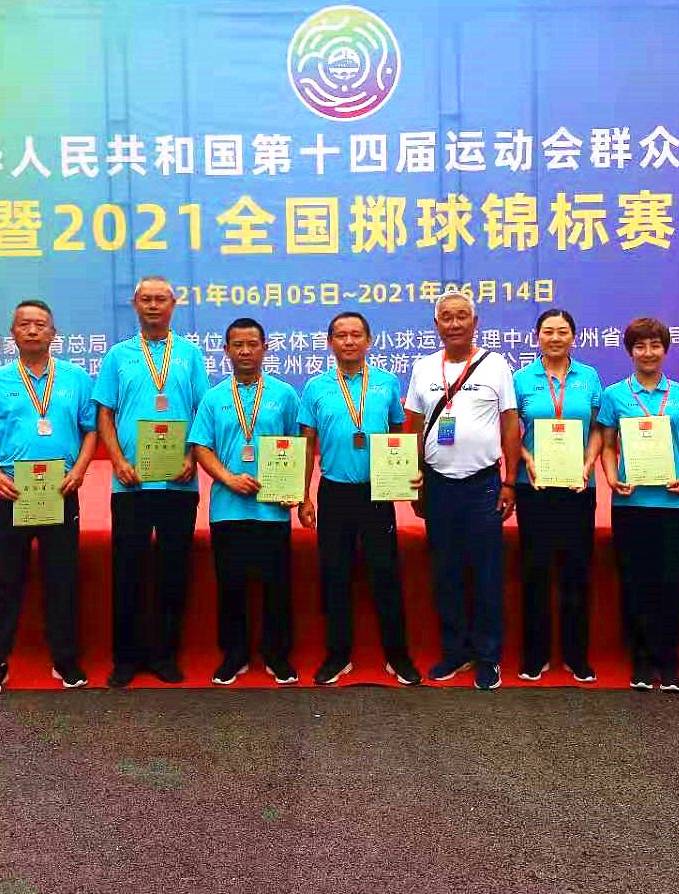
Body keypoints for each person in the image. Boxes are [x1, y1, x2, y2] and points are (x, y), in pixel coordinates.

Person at [0, 300, 97, 697]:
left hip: (61, 490)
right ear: (12, 333)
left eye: (40, 324)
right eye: (24, 324)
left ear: (53, 333)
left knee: (62, 578)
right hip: (12, 491)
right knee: (6, 581)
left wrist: (79, 471)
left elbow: (91, 430)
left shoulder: (76, 378)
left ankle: (65, 659)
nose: (32, 330)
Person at [93, 276, 210, 687]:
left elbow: (203, 412)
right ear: (135, 304)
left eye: (161, 299)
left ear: (173, 304)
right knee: (128, 570)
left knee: (173, 571)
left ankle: (165, 655)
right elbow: (104, 414)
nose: (154, 306)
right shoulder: (118, 356)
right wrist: (117, 461)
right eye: (147, 299)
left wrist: (192, 457)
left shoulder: (190, 355)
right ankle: (125, 659)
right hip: (131, 482)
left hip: (179, 483)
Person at [402, 290, 521, 691]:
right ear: (436, 325)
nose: (454, 324)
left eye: (462, 316)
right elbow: (412, 427)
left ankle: (488, 657)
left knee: (487, 573)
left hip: (483, 485)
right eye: (447, 317)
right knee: (446, 572)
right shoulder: (422, 368)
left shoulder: (496, 365)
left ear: (475, 322)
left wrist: (509, 481)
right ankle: (455, 651)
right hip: (438, 485)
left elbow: (509, 424)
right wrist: (413, 481)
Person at [298, 312, 423, 686]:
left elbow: (399, 433)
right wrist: (304, 496)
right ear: (329, 342)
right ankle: (338, 656)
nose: (349, 341)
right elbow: (306, 443)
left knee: (385, 574)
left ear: (369, 341)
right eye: (341, 335)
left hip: (377, 492)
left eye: (356, 335)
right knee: (334, 575)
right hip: (334, 492)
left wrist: (407, 475)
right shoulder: (315, 387)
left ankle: (398, 656)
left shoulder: (386, 383)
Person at [189, 318, 302, 686]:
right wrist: (228, 479)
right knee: (231, 585)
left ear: (265, 348)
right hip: (228, 508)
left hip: (273, 509)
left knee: (276, 586)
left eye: (252, 344)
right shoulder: (214, 397)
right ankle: (234, 655)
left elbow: (296, 445)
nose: (245, 351)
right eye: (237, 345)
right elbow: (201, 447)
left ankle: (277, 654)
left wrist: (291, 488)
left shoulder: (285, 394)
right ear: (226, 351)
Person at [596, 317, 679, 692]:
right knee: (634, 581)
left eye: (655, 345)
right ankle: (639, 659)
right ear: (630, 351)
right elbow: (607, 444)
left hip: (673, 502)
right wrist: (612, 477)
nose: (648, 352)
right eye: (640, 346)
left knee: (670, 582)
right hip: (631, 502)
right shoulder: (614, 395)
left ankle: (668, 660)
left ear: (665, 350)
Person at [511, 309, 603, 683]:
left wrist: (588, 463)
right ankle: (536, 655)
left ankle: (575, 655)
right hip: (534, 486)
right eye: (548, 331)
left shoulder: (589, 377)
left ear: (573, 337)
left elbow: (598, 430)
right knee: (535, 569)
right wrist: (527, 458)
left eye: (562, 331)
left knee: (576, 569)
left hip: (578, 485)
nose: (555, 337)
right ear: (537, 337)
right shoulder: (521, 379)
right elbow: (508, 431)